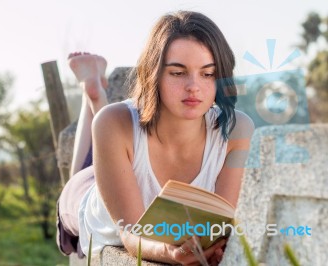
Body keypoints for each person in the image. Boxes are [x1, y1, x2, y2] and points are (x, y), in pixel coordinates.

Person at [56, 11, 254, 265]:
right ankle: (92, 97)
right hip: (89, 198)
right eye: (177, 73)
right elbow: (130, 235)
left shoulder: (236, 130)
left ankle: (94, 93)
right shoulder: (112, 123)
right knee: (81, 170)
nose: (194, 86)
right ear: (154, 74)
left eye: (207, 73)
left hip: (125, 160)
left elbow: (221, 226)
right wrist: (169, 253)